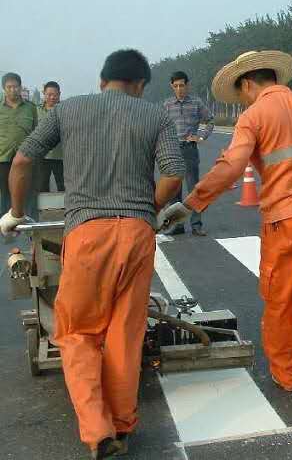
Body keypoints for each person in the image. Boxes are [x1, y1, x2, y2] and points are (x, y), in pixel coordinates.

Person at [0, 49, 185, 459]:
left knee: (78, 331)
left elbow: (23, 158)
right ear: (140, 85)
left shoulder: (68, 110)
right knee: (125, 333)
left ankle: (99, 432)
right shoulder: (154, 115)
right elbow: (173, 174)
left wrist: (15, 212)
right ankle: (122, 423)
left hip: (86, 233)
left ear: (103, 81)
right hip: (136, 234)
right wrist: (148, 209)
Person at [160, 50, 292, 402]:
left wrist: (191, 204)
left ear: (248, 84)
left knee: (279, 299)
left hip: (286, 219)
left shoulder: (254, 116)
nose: (241, 100)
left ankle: (286, 375)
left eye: (240, 94)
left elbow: (230, 167)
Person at [162, 70, 214, 236]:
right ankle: (177, 226)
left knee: (194, 189)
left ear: (187, 85)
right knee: (174, 190)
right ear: (172, 86)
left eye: (182, 85)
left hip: (189, 149)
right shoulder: (167, 105)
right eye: (176, 86)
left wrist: (201, 137)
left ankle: (196, 225)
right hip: (173, 151)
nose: (179, 89)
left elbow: (210, 120)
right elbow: (161, 127)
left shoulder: (196, 103)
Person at [0, 72, 39, 220]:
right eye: (9, 87)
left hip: (25, 157)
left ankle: (30, 223)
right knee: (5, 193)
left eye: (15, 87)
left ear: (20, 87)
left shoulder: (30, 108)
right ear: (4, 88)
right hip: (3, 157)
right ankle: (6, 224)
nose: (13, 90)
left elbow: (35, 131)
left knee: (27, 190)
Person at [37, 81, 64, 192]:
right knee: (42, 186)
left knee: (63, 185)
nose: (52, 97)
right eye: (49, 94)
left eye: (55, 95)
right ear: (44, 93)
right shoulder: (36, 110)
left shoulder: (65, 110)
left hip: (61, 156)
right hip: (42, 156)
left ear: (59, 94)